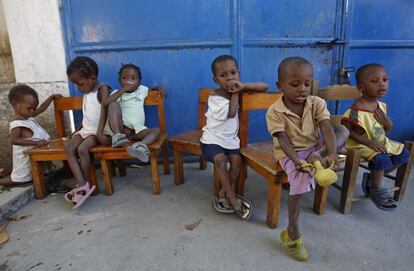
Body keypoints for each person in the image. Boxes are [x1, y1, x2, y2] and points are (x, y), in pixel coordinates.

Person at [266, 57, 348, 261]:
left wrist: (329, 153)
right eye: (295, 84)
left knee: (344, 129)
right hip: (290, 153)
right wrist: (297, 161)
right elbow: (283, 140)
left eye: (307, 84)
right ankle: (292, 229)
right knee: (301, 178)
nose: (302, 89)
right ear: (280, 86)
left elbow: (327, 129)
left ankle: (317, 157)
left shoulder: (316, 103)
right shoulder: (274, 111)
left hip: (314, 149)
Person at [200, 55, 268, 220]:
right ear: (216, 80)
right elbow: (231, 113)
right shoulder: (215, 96)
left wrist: (243, 86)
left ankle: (223, 193)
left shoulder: (239, 86)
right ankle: (231, 196)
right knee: (220, 160)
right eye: (223, 75)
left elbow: (264, 86)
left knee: (237, 164)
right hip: (212, 138)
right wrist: (237, 92)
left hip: (230, 140)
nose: (230, 78)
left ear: (238, 73)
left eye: (233, 73)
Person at [342, 63, 409, 211]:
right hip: (359, 144)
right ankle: (377, 189)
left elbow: (386, 130)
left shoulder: (381, 106)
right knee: (381, 158)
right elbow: (347, 132)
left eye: (385, 80)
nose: (382, 84)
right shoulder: (355, 111)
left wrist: (388, 123)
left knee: (404, 153)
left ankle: (373, 179)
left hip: (379, 141)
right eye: (374, 81)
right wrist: (369, 142)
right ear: (361, 88)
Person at [64, 56, 111, 209]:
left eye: (80, 84)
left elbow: (104, 111)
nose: (78, 88)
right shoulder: (87, 90)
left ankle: (81, 186)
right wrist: (76, 131)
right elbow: (87, 115)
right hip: (86, 129)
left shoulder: (103, 88)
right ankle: (83, 184)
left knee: (83, 149)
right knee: (70, 148)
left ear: (92, 78)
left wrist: (99, 133)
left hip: (97, 131)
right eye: (76, 84)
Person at [103, 63, 166, 162]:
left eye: (133, 78)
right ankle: (117, 136)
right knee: (113, 105)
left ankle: (140, 146)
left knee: (156, 130)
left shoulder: (142, 90)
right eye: (124, 78)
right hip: (122, 129)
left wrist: (159, 88)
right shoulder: (117, 93)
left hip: (137, 132)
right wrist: (122, 90)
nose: (129, 81)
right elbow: (106, 103)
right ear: (120, 81)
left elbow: (153, 89)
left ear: (139, 81)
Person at [0, 85, 61, 186]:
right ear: (15, 104)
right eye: (29, 108)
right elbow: (14, 140)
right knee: (19, 179)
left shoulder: (28, 116)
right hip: (24, 160)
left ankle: (5, 171)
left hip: (34, 158)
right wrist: (36, 142)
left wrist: (51, 97)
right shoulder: (17, 124)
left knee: (38, 173)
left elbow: (42, 108)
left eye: (34, 108)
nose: (32, 111)